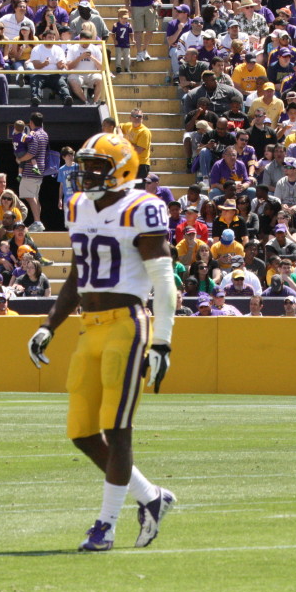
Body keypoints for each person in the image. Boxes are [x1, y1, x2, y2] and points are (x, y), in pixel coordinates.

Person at [27, 133, 176, 552]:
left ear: (122, 170)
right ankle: (151, 496)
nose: (87, 172)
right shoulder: (78, 205)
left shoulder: (142, 207)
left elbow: (164, 280)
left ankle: (106, 525)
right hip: (88, 326)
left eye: (97, 166)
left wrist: (162, 342)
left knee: (117, 426)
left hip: (127, 324)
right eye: (86, 164)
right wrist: (49, 324)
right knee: (81, 430)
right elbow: (78, 273)